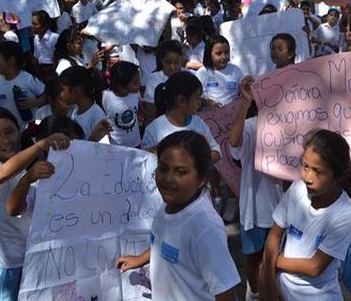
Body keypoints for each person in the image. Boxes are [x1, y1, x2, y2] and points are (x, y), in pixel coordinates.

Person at [116, 131, 240, 300]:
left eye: (180, 172)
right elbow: (162, 241)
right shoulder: (169, 204)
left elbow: (226, 292)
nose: (168, 179)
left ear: (202, 179)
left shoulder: (205, 228)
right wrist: (141, 258)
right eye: (163, 168)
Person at [0, 106, 69, 299]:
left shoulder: (30, 166)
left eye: (10, 131)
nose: (6, 140)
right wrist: (40, 146)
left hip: (39, 255)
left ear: (19, 129)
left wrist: (92, 139)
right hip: (13, 260)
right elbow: (11, 199)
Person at [260, 130, 351, 300]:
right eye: (305, 166)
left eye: (318, 172)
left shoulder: (346, 215)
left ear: (339, 176)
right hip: (283, 291)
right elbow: (274, 235)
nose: (308, 177)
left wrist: (273, 261)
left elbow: (314, 267)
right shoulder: (296, 189)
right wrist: (268, 283)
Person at [229, 77, 283, 300]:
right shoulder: (251, 126)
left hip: (280, 208)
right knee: (252, 258)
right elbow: (233, 143)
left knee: (275, 259)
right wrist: (245, 101)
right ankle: (253, 293)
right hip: (254, 208)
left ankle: (269, 292)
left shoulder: (289, 125)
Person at [6, 115, 83, 217]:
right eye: (64, 148)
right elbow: (14, 210)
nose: (72, 152)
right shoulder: (39, 179)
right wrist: (26, 180)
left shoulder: (85, 171)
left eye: (77, 146)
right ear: (46, 148)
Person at [142, 71, 220, 156]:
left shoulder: (199, 123)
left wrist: (199, 163)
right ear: (181, 100)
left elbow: (216, 150)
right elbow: (146, 162)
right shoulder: (153, 130)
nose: (200, 102)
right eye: (197, 97)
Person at [0, 42, 45, 129]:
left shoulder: (28, 78)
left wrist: (34, 102)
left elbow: (47, 96)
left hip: (30, 130)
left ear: (11, 60)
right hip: (10, 130)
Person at [142, 40, 185, 125]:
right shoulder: (153, 79)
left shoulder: (188, 76)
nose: (173, 67)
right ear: (161, 60)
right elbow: (150, 108)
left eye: (176, 63)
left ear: (181, 59)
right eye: (168, 63)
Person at [59, 65, 106, 140]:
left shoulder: (97, 115)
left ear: (76, 91)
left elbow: (103, 149)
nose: (60, 95)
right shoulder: (75, 111)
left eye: (62, 90)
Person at [195, 35, 244, 107]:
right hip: (209, 116)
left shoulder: (236, 70)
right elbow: (196, 98)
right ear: (209, 54)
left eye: (226, 52)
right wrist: (208, 102)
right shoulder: (201, 73)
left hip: (233, 115)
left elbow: (242, 93)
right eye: (219, 53)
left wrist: (246, 87)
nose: (224, 57)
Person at [102, 61, 141, 147]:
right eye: (135, 82)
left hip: (136, 143)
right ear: (121, 85)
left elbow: (138, 109)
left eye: (139, 80)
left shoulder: (135, 93)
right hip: (117, 146)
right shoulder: (106, 97)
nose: (139, 84)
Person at [31, 10, 59, 82]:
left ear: (44, 25)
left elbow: (58, 56)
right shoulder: (36, 38)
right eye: (32, 23)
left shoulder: (54, 37)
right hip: (40, 72)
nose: (32, 26)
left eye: (35, 24)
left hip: (53, 71)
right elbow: (36, 56)